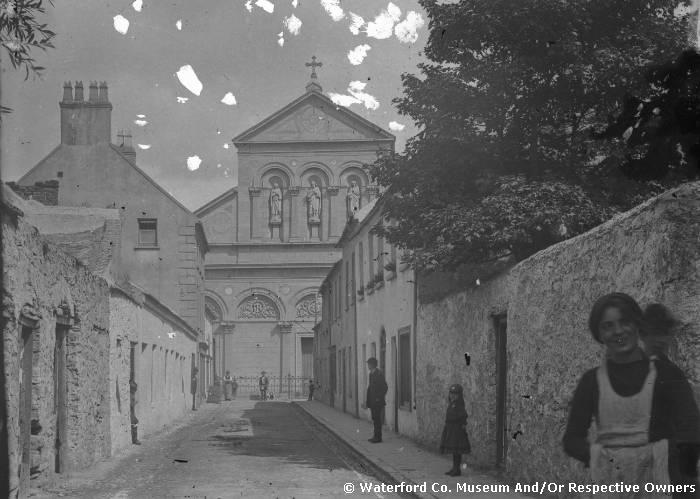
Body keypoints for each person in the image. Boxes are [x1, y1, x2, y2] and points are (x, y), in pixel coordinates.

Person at [563, 293, 700, 498]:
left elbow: (691, 429)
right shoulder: (591, 382)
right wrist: (603, 459)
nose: (618, 331)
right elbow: (572, 439)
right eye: (607, 326)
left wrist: (681, 477)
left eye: (625, 322)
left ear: (637, 325)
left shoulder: (667, 374)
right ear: (599, 334)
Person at [440, 384, 471, 476]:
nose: (452, 395)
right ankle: (454, 468)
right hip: (451, 429)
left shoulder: (459, 405)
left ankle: (457, 470)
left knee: (457, 450)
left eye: (455, 394)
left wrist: (460, 423)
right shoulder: (452, 403)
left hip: (456, 429)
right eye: (451, 393)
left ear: (459, 395)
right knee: (454, 450)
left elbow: (463, 416)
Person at [365, 357, 387, 443]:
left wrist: (379, 397)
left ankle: (378, 437)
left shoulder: (379, 374)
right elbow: (370, 388)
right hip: (372, 401)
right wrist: (368, 400)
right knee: (374, 419)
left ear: (373, 364)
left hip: (378, 402)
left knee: (377, 419)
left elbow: (385, 387)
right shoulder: (371, 374)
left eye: (369, 364)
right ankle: (375, 436)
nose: (368, 365)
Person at [129, 379, 141, 445]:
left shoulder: (132, 394)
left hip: (132, 412)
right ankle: (135, 439)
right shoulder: (131, 395)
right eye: (134, 389)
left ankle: (135, 439)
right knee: (135, 422)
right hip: (130, 412)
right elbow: (131, 404)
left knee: (135, 422)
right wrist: (135, 402)